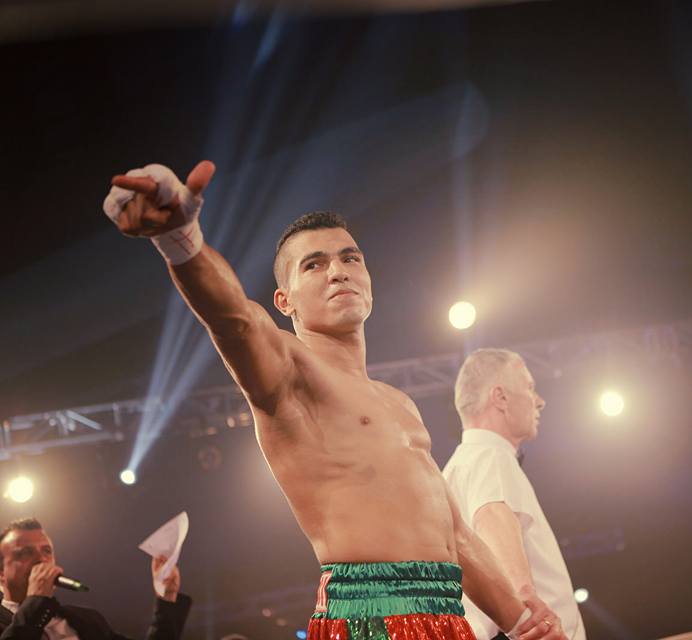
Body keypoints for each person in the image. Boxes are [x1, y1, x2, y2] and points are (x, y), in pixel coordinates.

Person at [102, 162, 565, 640]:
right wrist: (181, 240)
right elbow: (234, 320)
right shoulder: (289, 373)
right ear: (285, 301)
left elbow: (458, 536)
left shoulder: (399, 404)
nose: (338, 272)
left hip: (446, 613)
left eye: (350, 258)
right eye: (314, 264)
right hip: (369, 618)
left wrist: (521, 622)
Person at [443, 349, 586, 640]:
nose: (539, 400)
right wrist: (530, 615)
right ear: (500, 398)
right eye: (530, 387)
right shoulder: (490, 456)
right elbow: (492, 518)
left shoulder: (458, 467)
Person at [0, 517, 191, 640]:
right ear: (1, 574)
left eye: (47, 551)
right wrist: (36, 601)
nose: (42, 560)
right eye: (25, 553)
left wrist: (167, 597)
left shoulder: (87, 620)